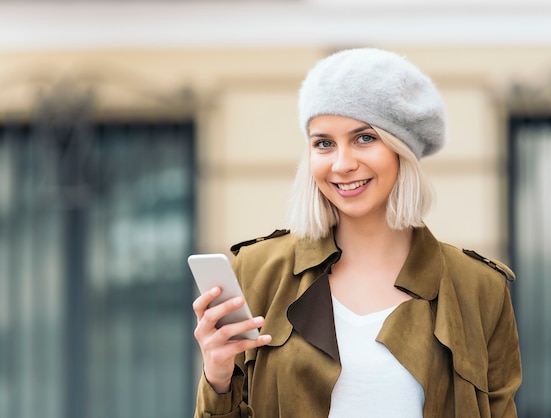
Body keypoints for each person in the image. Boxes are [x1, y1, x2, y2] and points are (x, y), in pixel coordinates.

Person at [192, 48, 522, 418]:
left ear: (403, 150)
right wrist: (217, 378)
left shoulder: (479, 288)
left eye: (364, 138)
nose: (343, 164)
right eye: (324, 143)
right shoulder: (258, 272)